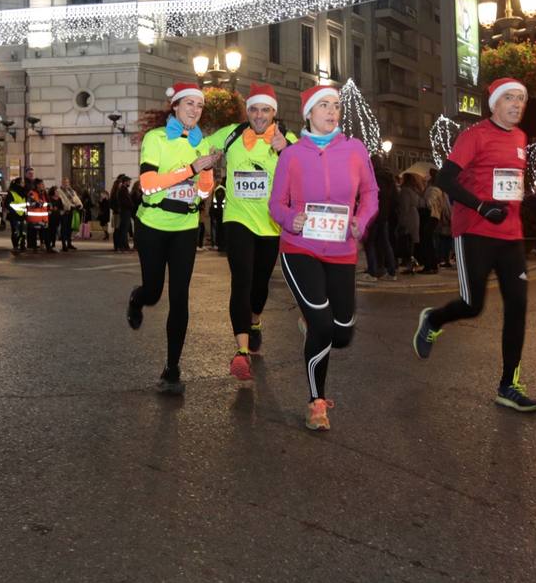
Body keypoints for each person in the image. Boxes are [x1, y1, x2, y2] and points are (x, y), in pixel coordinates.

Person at [413, 77, 536, 413]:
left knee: (518, 306)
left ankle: (508, 385)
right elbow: (445, 179)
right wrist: (482, 205)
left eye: (521, 99)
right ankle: (433, 320)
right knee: (473, 304)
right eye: (509, 98)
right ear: (494, 104)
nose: (516, 104)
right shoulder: (474, 136)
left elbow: (509, 182)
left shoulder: (520, 137)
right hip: (475, 231)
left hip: (511, 235)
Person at [269, 84, 378, 430]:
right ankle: (316, 403)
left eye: (336, 106)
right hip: (300, 248)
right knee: (323, 326)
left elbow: (371, 192)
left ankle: (314, 324)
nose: (333, 112)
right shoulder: (291, 154)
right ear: (309, 113)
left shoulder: (355, 149)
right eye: (325, 106)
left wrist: (361, 221)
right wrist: (291, 219)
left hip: (342, 249)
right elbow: (276, 204)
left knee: (342, 333)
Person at [127, 82, 217, 395]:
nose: (195, 110)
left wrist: (205, 174)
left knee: (180, 296)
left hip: (185, 227)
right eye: (189, 104)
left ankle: (173, 366)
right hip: (152, 225)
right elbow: (149, 184)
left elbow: (204, 192)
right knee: (154, 292)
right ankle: (138, 299)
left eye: (199, 105)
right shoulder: (155, 138)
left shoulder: (201, 143)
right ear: (175, 107)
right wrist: (190, 168)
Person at [207, 83, 295, 380]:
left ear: (274, 113)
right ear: (248, 111)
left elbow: (307, 168)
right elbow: (199, 146)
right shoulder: (230, 134)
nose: (259, 115)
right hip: (238, 218)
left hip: (270, 223)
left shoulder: (286, 139)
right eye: (254, 109)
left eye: (265, 110)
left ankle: (255, 320)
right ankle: (241, 351)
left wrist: (289, 151)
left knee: (260, 283)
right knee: (241, 278)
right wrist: (205, 155)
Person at [363, 155, 398, 281]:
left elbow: (370, 197)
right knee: (385, 242)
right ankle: (392, 271)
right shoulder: (389, 179)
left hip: (374, 214)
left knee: (369, 243)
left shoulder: (373, 178)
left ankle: (373, 272)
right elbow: (395, 198)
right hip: (385, 215)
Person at [395, 172, 422, 273]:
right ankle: (410, 263)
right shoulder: (414, 191)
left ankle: (409, 264)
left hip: (408, 217)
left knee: (407, 240)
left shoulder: (405, 191)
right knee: (411, 241)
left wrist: (401, 221)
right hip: (414, 216)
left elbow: (404, 207)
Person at [8, 168, 35, 254]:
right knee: (16, 232)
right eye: (22, 183)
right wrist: (14, 210)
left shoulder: (24, 193)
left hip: (22, 214)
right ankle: (16, 246)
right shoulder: (12, 193)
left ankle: (22, 245)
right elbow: (7, 204)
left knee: (23, 232)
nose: (23, 185)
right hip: (15, 215)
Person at [58, 178, 82, 252]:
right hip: (65, 211)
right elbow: (63, 201)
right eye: (64, 182)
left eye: (67, 182)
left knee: (69, 228)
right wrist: (70, 206)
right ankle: (64, 245)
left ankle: (69, 243)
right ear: (62, 183)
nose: (66, 184)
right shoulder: (59, 191)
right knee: (64, 228)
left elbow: (77, 199)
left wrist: (80, 205)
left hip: (72, 211)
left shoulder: (72, 191)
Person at [111, 174, 133, 252]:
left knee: (122, 230)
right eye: (129, 182)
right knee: (122, 230)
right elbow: (125, 202)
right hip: (123, 212)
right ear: (124, 182)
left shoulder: (124, 190)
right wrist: (131, 205)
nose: (130, 183)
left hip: (123, 212)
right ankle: (121, 246)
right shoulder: (122, 190)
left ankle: (122, 246)